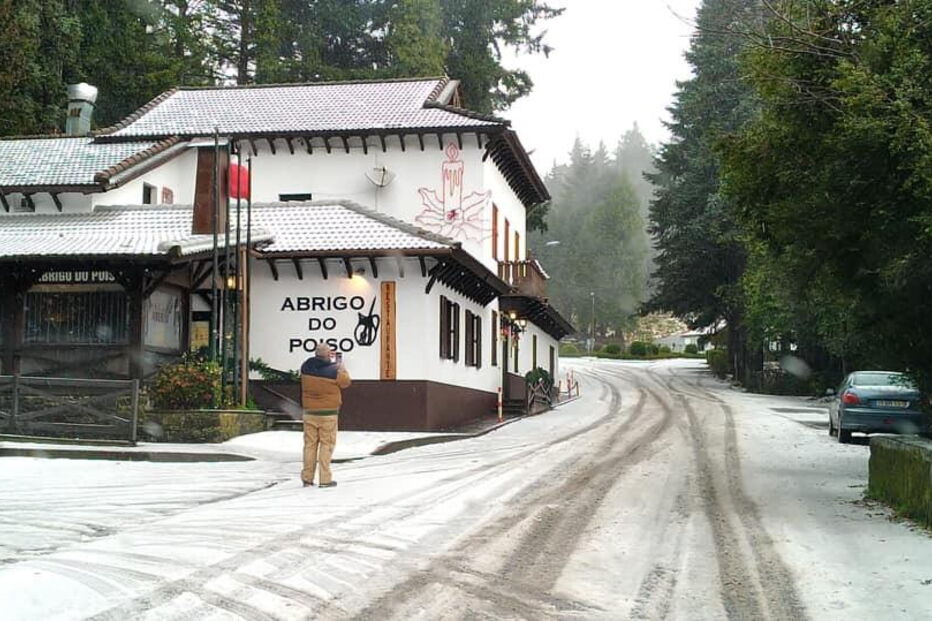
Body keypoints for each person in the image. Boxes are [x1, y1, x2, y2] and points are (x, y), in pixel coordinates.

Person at [300, 343, 351, 488]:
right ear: (328, 355)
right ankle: (325, 479)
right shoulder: (335, 370)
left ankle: (307, 478)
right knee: (326, 445)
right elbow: (346, 382)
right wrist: (342, 367)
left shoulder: (306, 367)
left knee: (309, 445)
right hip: (328, 414)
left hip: (309, 412)